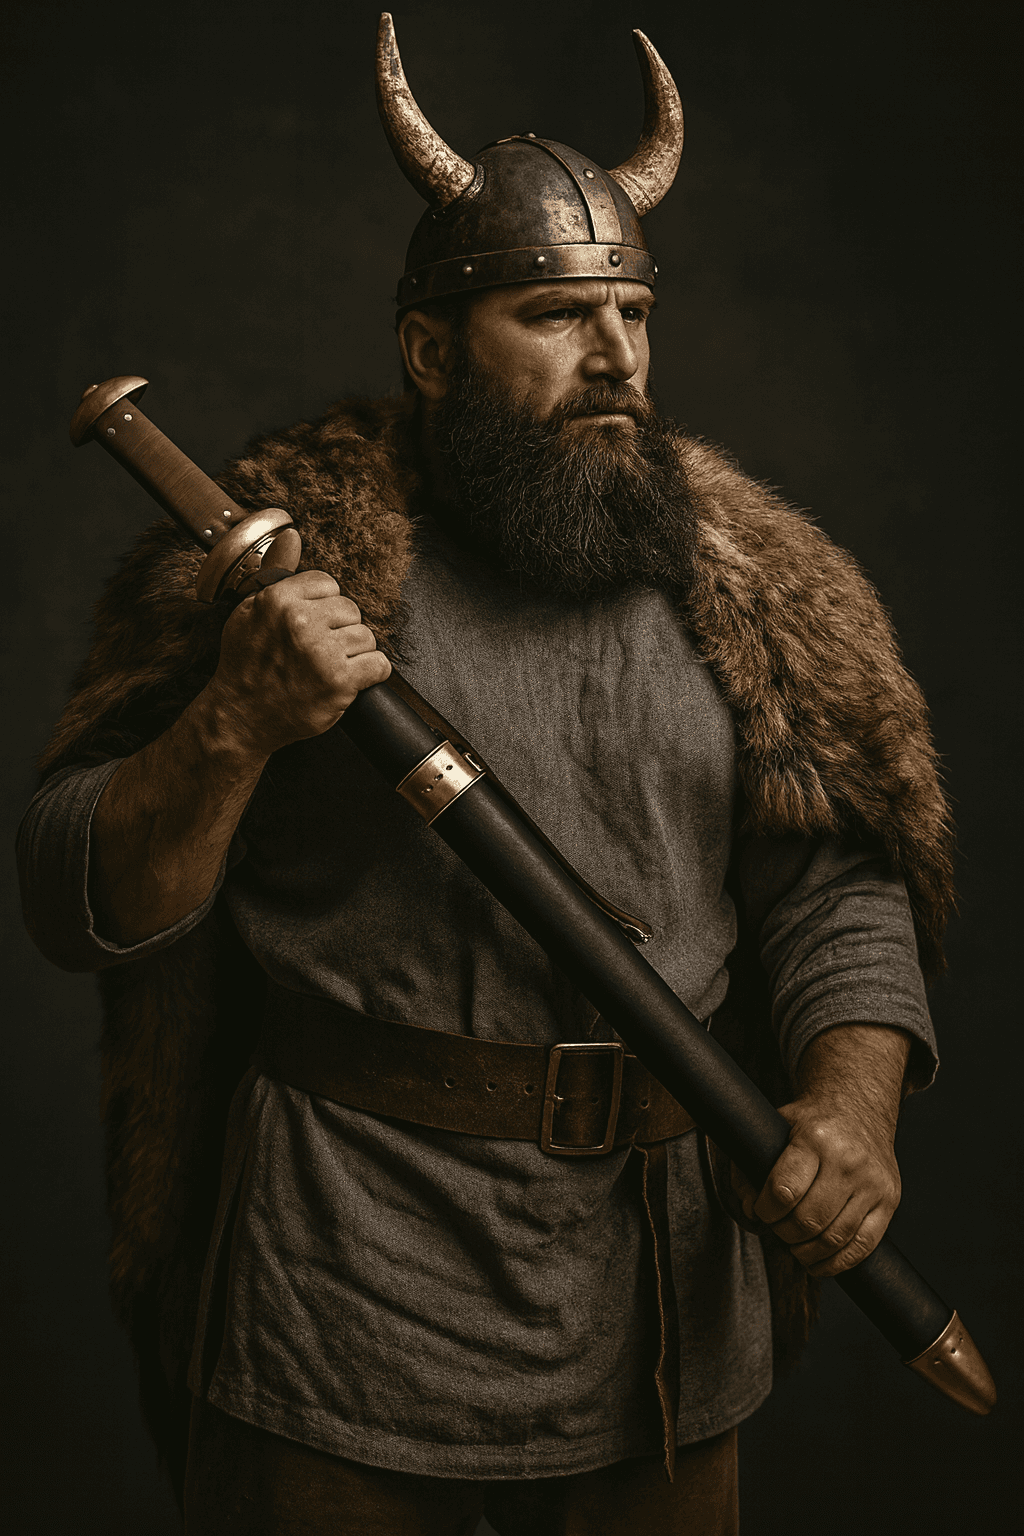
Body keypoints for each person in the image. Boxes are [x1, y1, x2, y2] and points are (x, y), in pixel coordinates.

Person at [17, 17, 952, 1536]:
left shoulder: (750, 586)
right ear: (432, 345)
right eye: (555, 314)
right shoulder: (289, 573)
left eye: (635, 315)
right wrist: (233, 725)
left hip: (660, 1298)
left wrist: (852, 1114)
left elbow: (835, 878)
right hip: (348, 1282)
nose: (616, 362)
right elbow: (79, 892)